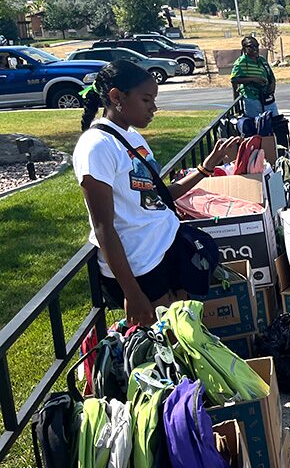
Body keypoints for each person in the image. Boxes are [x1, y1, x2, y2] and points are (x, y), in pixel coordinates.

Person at [74, 60, 240, 326]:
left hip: (165, 249)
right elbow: (103, 227)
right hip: (140, 266)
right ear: (117, 97)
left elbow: (157, 197)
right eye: (146, 99)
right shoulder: (96, 147)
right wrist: (132, 292)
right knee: (171, 344)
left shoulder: (134, 139)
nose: (154, 107)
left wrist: (206, 168)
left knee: (186, 333)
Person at [230, 35, 278, 119]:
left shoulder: (262, 60)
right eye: (251, 46)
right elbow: (234, 79)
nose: (255, 48)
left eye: (256, 46)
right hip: (251, 99)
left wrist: (272, 88)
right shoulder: (241, 62)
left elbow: (271, 76)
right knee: (257, 126)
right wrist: (254, 80)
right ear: (244, 48)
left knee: (275, 122)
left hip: (267, 98)